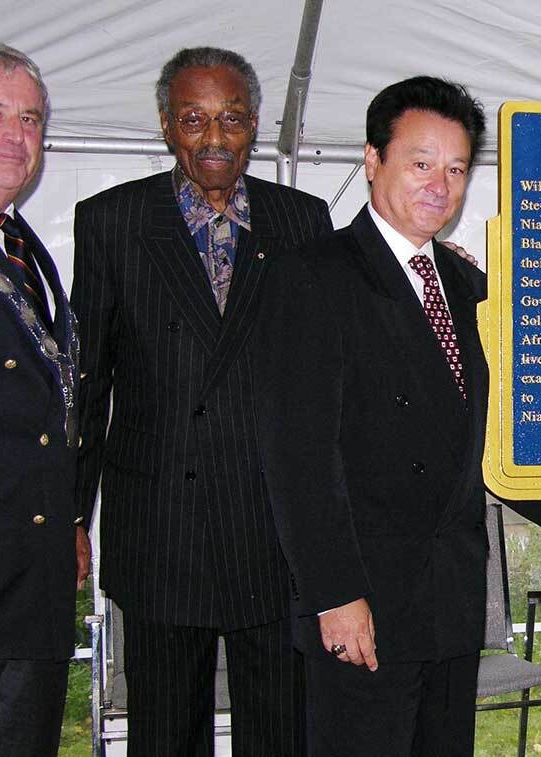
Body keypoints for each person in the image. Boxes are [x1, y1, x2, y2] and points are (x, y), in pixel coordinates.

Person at [254, 75, 541, 757]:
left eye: (455, 169)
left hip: (451, 600)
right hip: (363, 603)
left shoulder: (470, 286)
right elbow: (297, 459)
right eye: (420, 163)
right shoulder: (311, 276)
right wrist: (334, 594)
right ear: (374, 161)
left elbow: (481, 431)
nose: (439, 185)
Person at [71, 47, 333, 754]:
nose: (214, 138)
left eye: (232, 119)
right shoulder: (111, 222)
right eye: (194, 119)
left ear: (253, 124)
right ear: (166, 126)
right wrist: (71, 512)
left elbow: (325, 380)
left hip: (272, 533)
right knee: (163, 733)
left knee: (282, 731)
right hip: (161, 529)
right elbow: (87, 384)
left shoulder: (302, 222)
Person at [0, 41, 88, 755]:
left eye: (31, 119)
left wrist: (67, 519)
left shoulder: (21, 244)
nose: (16, 135)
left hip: (31, 589)